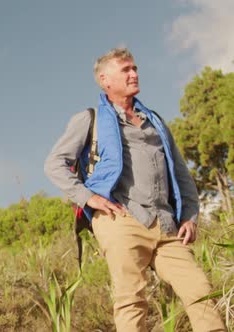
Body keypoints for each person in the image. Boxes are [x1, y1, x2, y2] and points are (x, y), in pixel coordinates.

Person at [44, 47, 225, 331]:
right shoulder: (89, 119)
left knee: (200, 290)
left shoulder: (156, 122)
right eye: (126, 70)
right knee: (131, 299)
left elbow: (181, 174)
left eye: (135, 68)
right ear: (105, 80)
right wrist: (89, 198)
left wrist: (189, 215)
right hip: (121, 220)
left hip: (166, 224)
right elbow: (54, 164)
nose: (134, 74)